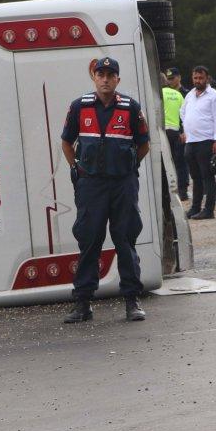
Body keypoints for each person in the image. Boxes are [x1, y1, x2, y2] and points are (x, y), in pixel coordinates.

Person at [59, 57, 150, 323]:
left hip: (122, 185)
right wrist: (77, 169)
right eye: (101, 74)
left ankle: (132, 301)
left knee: (125, 240)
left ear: (118, 79)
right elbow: (66, 142)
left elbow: (144, 144)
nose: (106, 79)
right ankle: (83, 303)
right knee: (89, 241)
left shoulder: (130, 108)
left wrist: (129, 168)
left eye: (111, 75)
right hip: (91, 186)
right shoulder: (80, 106)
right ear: (94, 77)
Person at [180, 65, 216, 220]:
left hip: (206, 141)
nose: (198, 81)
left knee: (207, 176)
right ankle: (195, 208)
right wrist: (186, 129)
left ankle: (209, 210)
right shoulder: (190, 94)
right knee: (195, 177)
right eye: (195, 78)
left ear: (207, 78)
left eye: (201, 78)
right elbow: (182, 112)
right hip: (191, 141)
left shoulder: (214, 96)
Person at [161, 68, 189, 200]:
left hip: (163, 132)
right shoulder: (178, 94)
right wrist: (184, 131)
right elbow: (185, 115)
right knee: (181, 163)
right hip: (177, 132)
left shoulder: (158, 95)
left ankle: (168, 192)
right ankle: (183, 192)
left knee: (165, 163)